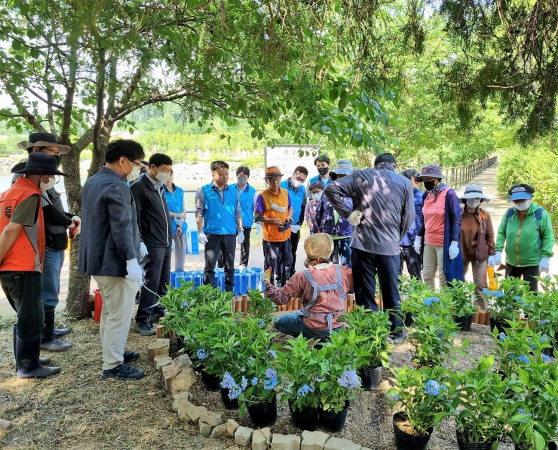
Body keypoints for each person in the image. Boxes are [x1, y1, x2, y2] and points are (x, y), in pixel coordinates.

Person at [325, 153, 414, 343]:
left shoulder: (360, 176)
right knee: (391, 290)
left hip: (363, 245)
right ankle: (396, 333)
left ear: (375, 164)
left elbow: (331, 189)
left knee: (365, 291)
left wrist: (348, 214)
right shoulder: (405, 182)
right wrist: (395, 238)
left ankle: (369, 332)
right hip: (389, 247)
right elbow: (409, 217)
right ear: (394, 165)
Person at [79, 139, 145, 380]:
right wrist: (131, 259)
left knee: (109, 311)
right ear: (123, 161)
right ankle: (112, 365)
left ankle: (113, 352)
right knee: (119, 313)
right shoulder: (117, 186)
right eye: (137, 164)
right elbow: (121, 226)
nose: (138, 169)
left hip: (98, 260)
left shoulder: (94, 181)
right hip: (115, 262)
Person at [2, 153, 66, 378]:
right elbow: (11, 229)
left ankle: (27, 359)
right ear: (40, 175)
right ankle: (28, 366)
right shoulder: (29, 194)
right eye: (50, 175)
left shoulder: (7, 193)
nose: (51, 179)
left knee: (24, 314)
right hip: (23, 265)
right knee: (31, 316)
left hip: (11, 266)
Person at [16, 132, 79, 351]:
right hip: (44, 244)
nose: (55, 156)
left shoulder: (46, 177)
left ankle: (47, 329)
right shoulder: (26, 176)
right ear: (36, 151)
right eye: (51, 151)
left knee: (51, 288)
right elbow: (47, 210)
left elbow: (56, 208)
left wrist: (71, 218)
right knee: (47, 291)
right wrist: (70, 222)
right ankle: (45, 336)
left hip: (54, 240)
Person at [264, 233, 353, 339]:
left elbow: (280, 299)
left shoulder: (302, 276)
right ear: (330, 251)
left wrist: (266, 282)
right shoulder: (343, 271)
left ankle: (307, 339)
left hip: (313, 328)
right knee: (298, 313)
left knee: (280, 322)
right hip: (338, 326)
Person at [131, 153, 173, 336]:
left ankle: (159, 312)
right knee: (151, 281)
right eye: (164, 170)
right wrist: (140, 241)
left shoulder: (160, 187)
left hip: (165, 242)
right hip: (152, 242)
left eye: (169, 171)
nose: (167, 174)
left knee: (164, 281)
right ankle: (142, 319)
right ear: (153, 168)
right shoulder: (139, 187)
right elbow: (135, 218)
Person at [494, 184, 554, 292]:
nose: (520, 203)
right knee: (510, 294)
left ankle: (529, 310)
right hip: (511, 261)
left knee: (531, 295)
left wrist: (546, 257)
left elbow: (548, 237)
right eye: (516, 201)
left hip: (532, 262)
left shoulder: (540, 214)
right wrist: (498, 250)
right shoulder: (509, 213)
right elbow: (501, 232)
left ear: (530, 198)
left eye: (523, 200)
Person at [414, 164, 465, 290]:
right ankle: (430, 305)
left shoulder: (449, 194)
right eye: (424, 180)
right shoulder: (427, 195)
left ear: (437, 179)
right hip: (429, 242)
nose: (426, 182)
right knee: (427, 275)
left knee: (444, 278)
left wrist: (454, 242)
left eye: (428, 179)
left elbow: (456, 220)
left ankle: (444, 306)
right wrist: (418, 237)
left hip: (444, 242)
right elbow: (424, 219)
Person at [195, 161, 243, 292]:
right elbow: (199, 213)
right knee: (210, 265)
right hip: (212, 233)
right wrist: (200, 231)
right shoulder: (203, 191)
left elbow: (237, 212)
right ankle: (208, 292)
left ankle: (229, 292)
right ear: (213, 174)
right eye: (221, 174)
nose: (225, 177)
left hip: (229, 233)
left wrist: (241, 230)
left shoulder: (233, 191)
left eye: (227, 174)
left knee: (230, 265)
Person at [255, 166, 294, 286]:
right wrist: (271, 220)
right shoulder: (262, 196)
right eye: (272, 179)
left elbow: (290, 208)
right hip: (271, 237)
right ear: (267, 180)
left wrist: (289, 217)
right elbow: (257, 217)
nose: (275, 182)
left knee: (287, 262)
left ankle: (283, 285)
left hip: (285, 234)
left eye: (278, 179)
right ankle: (268, 288)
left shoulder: (285, 193)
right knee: (270, 264)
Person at [459, 184, 495, 312]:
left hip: (479, 254)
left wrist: (492, 253)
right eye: (470, 198)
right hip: (460, 253)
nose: (473, 200)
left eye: (476, 198)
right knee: (457, 283)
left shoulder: (485, 215)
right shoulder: (458, 213)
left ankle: (481, 313)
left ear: (481, 200)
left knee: (480, 285)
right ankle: (458, 311)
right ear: (465, 199)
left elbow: (490, 236)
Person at [314, 160, 354, 267]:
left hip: (347, 235)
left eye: (345, 175)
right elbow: (319, 212)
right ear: (335, 176)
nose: (342, 178)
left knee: (347, 267)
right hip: (328, 236)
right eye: (340, 175)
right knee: (327, 267)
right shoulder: (328, 191)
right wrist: (315, 233)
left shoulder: (354, 193)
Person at [281, 166, 308, 276]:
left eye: (302, 180)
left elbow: (303, 207)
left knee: (293, 251)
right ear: (293, 174)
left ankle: (291, 274)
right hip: (282, 224)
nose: (299, 181)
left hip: (295, 225)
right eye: (298, 178)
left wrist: (299, 224)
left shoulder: (302, 189)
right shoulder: (282, 186)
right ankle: (281, 276)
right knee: (282, 252)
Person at [230, 166, 258, 267]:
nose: (242, 177)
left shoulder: (253, 191)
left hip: (246, 222)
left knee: (245, 246)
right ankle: (226, 265)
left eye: (244, 176)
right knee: (228, 245)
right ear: (237, 176)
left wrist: (258, 222)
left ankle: (243, 265)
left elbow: (257, 208)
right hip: (231, 223)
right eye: (240, 175)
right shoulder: (229, 189)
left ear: (248, 177)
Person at [399, 169, 423, 280]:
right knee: (395, 276)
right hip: (396, 242)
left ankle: (418, 297)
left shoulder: (421, 197)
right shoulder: (397, 196)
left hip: (413, 243)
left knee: (415, 276)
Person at [164, 170, 188, 272]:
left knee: (181, 255)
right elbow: (163, 210)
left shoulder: (180, 190)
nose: (168, 178)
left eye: (170, 175)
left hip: (180, 227)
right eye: (166, 175)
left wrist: (180, 225)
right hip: (166, 227)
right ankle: (166, 279)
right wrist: (177, 215)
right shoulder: (160, 191)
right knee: (166, 257)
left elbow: (183, 210)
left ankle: (180, 278)